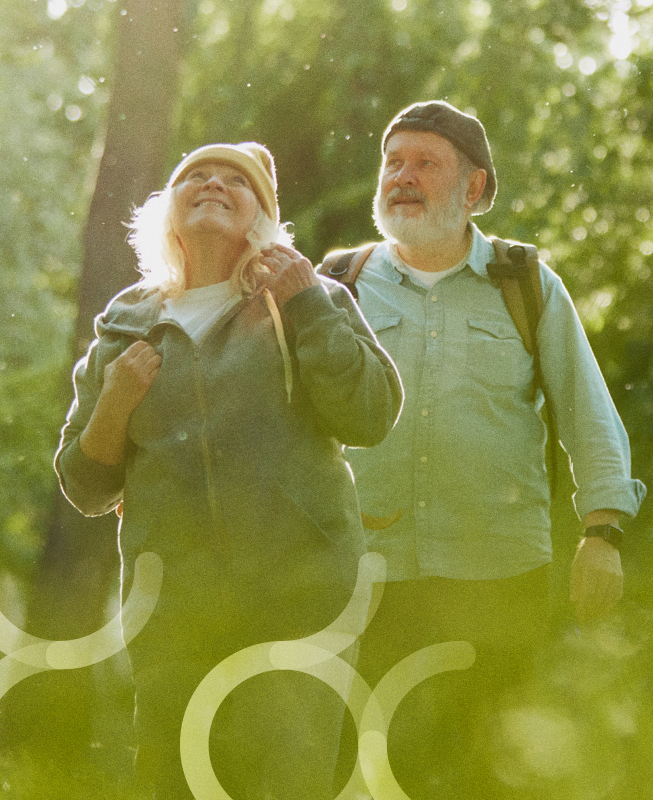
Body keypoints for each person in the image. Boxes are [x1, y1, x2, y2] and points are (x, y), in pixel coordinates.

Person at [55, 142, 402, 800]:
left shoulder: (307, 295)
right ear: (167, 212)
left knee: (285, 786)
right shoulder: (127, 324)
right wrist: (115, 404)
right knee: (175, 781)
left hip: (302, 595)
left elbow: (370, 413)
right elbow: (84, 483)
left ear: (262, 217)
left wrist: (305, 303)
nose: (213, 184)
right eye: (195, 176)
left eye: (235, 182)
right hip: (175, 609)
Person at [324, 100, 647, 798]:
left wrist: (604, 532)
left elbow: (588, 413)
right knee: (368, 771)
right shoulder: (338, 285)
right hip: (365, 578)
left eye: (425, 164)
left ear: (473, 188)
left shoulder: (526, 283)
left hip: (497, 574)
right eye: (393, 163)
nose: (402, 178)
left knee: (494, 771)